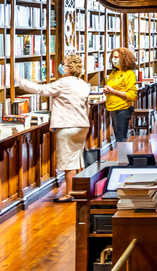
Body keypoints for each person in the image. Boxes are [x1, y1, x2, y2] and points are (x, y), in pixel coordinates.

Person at [17, 53, 90, 203]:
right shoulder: (83, 83)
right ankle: (80, 190)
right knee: (78, 159)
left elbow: (42, 90)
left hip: (67, 126)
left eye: (64, 64)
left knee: (69, 163)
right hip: (82, 125)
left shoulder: (63, 82)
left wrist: (20, 81)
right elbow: (86, 106)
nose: (61, 66)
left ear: (69, 68)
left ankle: (70, 193)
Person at [104, 47, 138, 142]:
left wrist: (113, 91)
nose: (113, 59)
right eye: (112, 57)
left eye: (116, 57)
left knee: (121, 139)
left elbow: (131, 95)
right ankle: (121, 152)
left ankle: (123, 153)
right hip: (112, 108)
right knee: (118, 137)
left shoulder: (129, 74)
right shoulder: (113, 73)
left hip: (122, 109)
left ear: (124, 59)